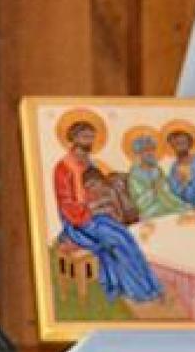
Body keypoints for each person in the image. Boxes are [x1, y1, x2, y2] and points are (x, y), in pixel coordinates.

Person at [53, 121, 163, 303]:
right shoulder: (63, 168)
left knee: (125, 236)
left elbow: (100, 187)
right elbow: (66, 202)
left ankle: (144, 287)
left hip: (98, 215)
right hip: (78, 222)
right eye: (84, 136)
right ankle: (140, 292)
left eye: (91, 136)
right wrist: (87, 214)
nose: (89, 140)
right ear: (73, 138)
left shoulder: (89, 161)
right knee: (119, 239)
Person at [123, 132, 191, 219]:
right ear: (139, 154)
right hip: (150, 210)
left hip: (167, 204)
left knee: (186, 209)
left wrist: (181, 201)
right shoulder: (135, 176)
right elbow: (139, 203)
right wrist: (154, 191)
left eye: (152, 150)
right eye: (146, 151)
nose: (150, 153)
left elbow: (168, 192)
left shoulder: (157, 170)